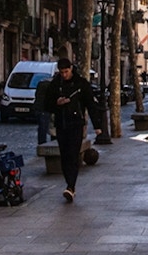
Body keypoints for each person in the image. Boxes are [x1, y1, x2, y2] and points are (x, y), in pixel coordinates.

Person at [45, 58, 102, 203]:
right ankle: (69, 184)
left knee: (73, 154)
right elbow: (46, 104)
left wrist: (97, 126)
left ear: (71, 68)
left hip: (76, 124)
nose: (64, 75)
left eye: (66, 71)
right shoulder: (55, 84)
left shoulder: (81, 83)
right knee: (64, 156)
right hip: (61, 124)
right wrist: (56, 103)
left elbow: (90, 104)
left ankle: (71, 186)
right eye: (61, 72)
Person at [34, 77, 53, 145]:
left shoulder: (43, 83)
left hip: (40, 109)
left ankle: (42, 143)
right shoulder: (49, 84)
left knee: (43, 128)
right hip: (44, 109)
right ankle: (42, 144)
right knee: (43, 128)